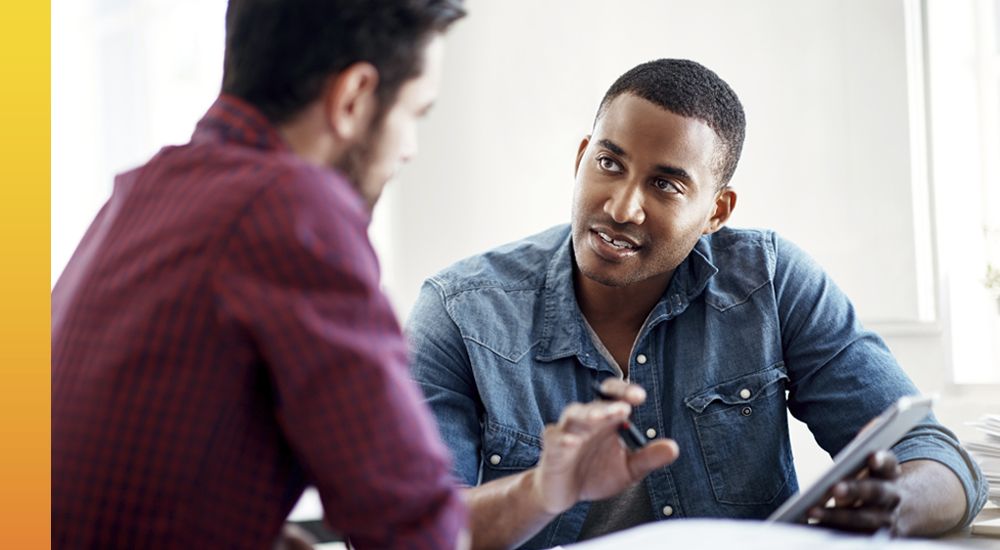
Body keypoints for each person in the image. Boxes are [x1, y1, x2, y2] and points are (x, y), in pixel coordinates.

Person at [406, 58, 988, 549]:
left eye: (665, 184)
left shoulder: (772, 282)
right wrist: (538, 492)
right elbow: (408, 530)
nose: (622, 207)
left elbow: (939, 457)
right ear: (581, 156)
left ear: (717, 212)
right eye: (609, 164)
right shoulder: (460, 311)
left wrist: (894, 506)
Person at [52, 1, 468, 548]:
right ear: (353, 98)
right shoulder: (293, 208)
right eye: (415, 114)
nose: (410, 150)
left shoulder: (143, 191)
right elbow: (417, 528)